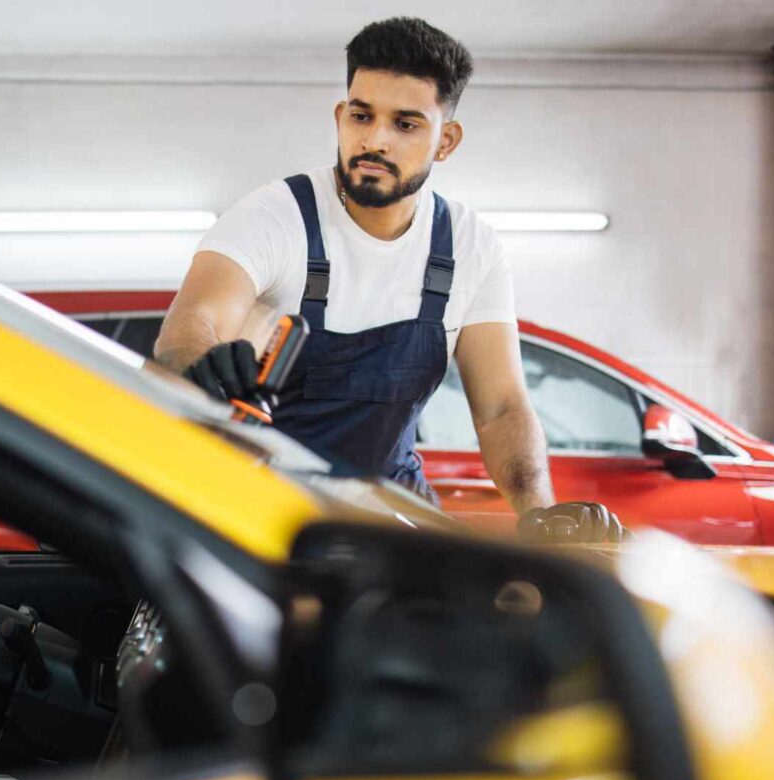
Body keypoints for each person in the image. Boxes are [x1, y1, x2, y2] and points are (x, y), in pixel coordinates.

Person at [155, 16, 625, 544]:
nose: (374, 139)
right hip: (267, 517)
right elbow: (189, 327)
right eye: (361, 116)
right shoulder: (275, 216)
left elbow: (500, 407)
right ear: (340, 117)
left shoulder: (471, 247)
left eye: (405, 124)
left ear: (445, 141)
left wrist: (538, 510)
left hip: (394, 521)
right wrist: (205, 362)